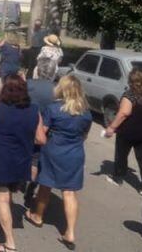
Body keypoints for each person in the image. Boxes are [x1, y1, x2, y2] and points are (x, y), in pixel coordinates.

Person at [26, 75, 92, 251]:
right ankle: (70, 231)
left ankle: (37, 216)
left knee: (46, 185)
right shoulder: (86, 113)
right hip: (75, 153)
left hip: (54, 150)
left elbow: (43, 132)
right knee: (69, 192)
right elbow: (84, 135)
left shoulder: (53, 109)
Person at [0, 74, 39, 252]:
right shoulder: (34, 109)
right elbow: (39, 137)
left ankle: (9, 243)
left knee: (2, 197)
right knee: (8, 193)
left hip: (0, 159)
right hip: (21, 159)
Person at [104, 68, 142, 195]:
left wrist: (112, 127)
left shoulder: (130, 95)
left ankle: (118, 178)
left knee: (121, 155)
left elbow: (124, 113)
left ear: (133, 81)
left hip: (128, 130)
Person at [24, 57, 59, 201]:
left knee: (22, 153)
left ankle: (18, 179)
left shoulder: (28, 84)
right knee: (36, 159)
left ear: (37, 70)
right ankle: (32, 186)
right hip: (45, 129)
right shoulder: (56, 90)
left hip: (25, 125)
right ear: (54, 72)